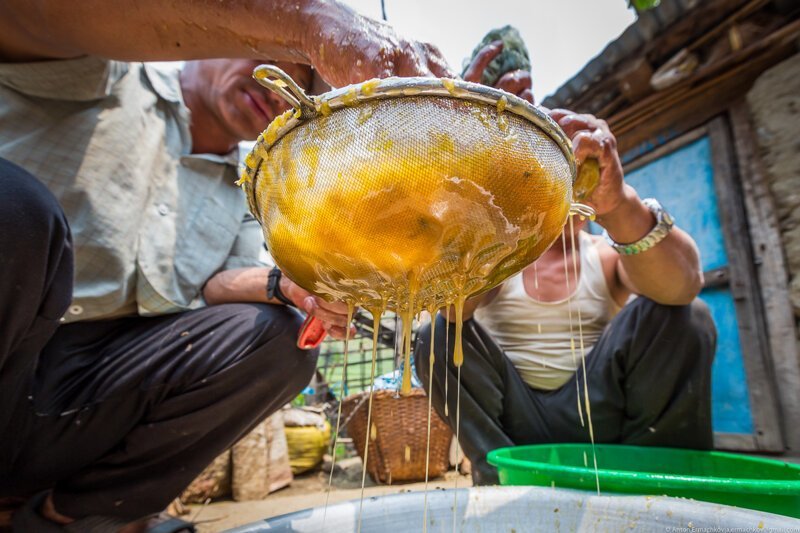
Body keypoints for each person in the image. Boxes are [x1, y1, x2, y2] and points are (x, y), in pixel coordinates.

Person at [0, 1, 453, 531]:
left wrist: (290, 287)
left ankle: (68, 516)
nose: (278, 86)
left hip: (85, 394)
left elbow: (216, 285)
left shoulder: (254, 191)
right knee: (17, 208)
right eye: (266, 55)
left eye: (299, 85)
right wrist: (308, 21)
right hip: (16, 343)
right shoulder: (105, 69)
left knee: (279, 339)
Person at [414, 30, 716, 485]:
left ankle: (654, 489)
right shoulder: (497, 252)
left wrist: (620, 205)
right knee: (435, 335)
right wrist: (498, 211)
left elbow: (686, 282)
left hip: (602, 426)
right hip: (513, 434)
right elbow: (454, 306)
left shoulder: (602, 254)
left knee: (687, 317)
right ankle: (507, 486)